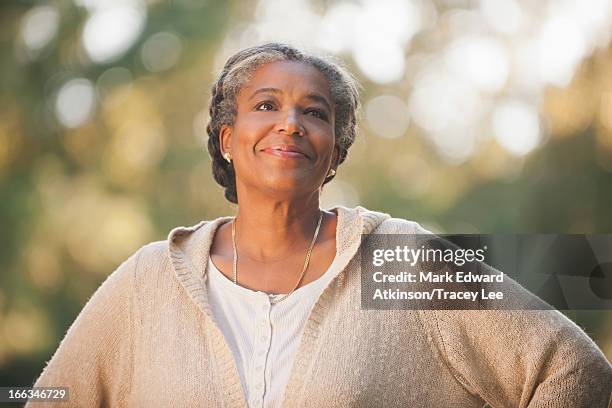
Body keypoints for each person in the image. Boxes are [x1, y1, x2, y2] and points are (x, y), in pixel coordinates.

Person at [30, 43, 611, 407]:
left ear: (335, 152)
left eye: (315, 112)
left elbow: (572, 369)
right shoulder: (150, 280)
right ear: (228, 140)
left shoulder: (402, 260)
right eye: (266, 106)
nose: (290, 124)